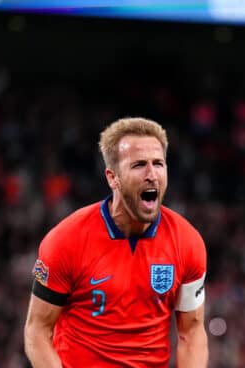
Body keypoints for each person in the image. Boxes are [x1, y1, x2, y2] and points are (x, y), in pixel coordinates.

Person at [24, 117, 208, 367]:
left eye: (158, 163)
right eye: (139, 165)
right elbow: (37, 331)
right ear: (113, 178)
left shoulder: (187, 242)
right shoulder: (66, 240)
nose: (152, 174)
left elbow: (192, 334)